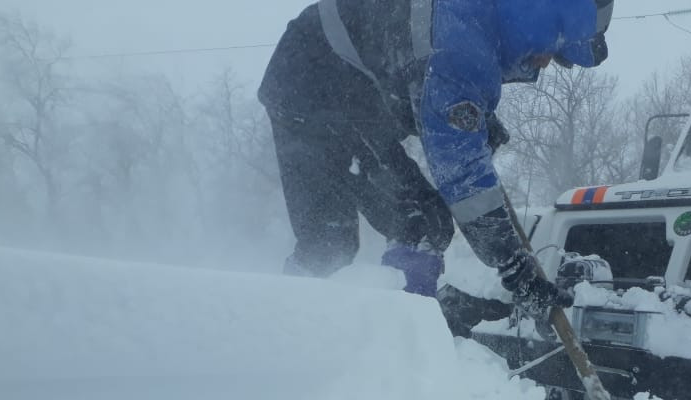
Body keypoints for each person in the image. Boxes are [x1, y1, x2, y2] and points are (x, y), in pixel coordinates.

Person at [258, 0, 612, 319]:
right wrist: (513, 265)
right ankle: (281, 325)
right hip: (311, 84)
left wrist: (477, 120)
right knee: (334, 239)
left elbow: (424, 85)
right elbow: (461, 173)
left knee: (421, 221)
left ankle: (399, 325)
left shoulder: (480, 23)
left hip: (355, 95)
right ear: (543, 20)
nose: (547, 62)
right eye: (557, 50)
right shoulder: (460, 44)